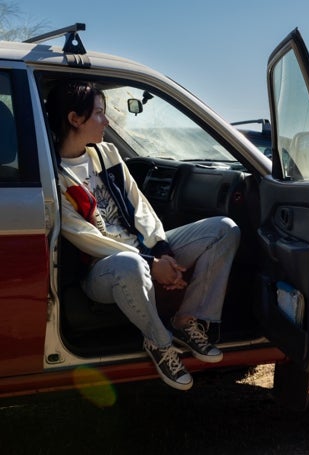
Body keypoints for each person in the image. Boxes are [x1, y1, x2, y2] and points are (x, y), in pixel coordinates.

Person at [46, 80, 240, 390]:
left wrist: (164, 251)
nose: (107, 121)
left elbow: (140, 206)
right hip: (103, 268)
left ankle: (186, 320)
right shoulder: (53, 174)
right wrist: (151, 263)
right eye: (99, 113)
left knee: (224, 230)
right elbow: (86, 238)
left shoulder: (107, 153)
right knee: (130, 264)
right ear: (74, 119)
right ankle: (160, 342)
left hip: (143, 250)